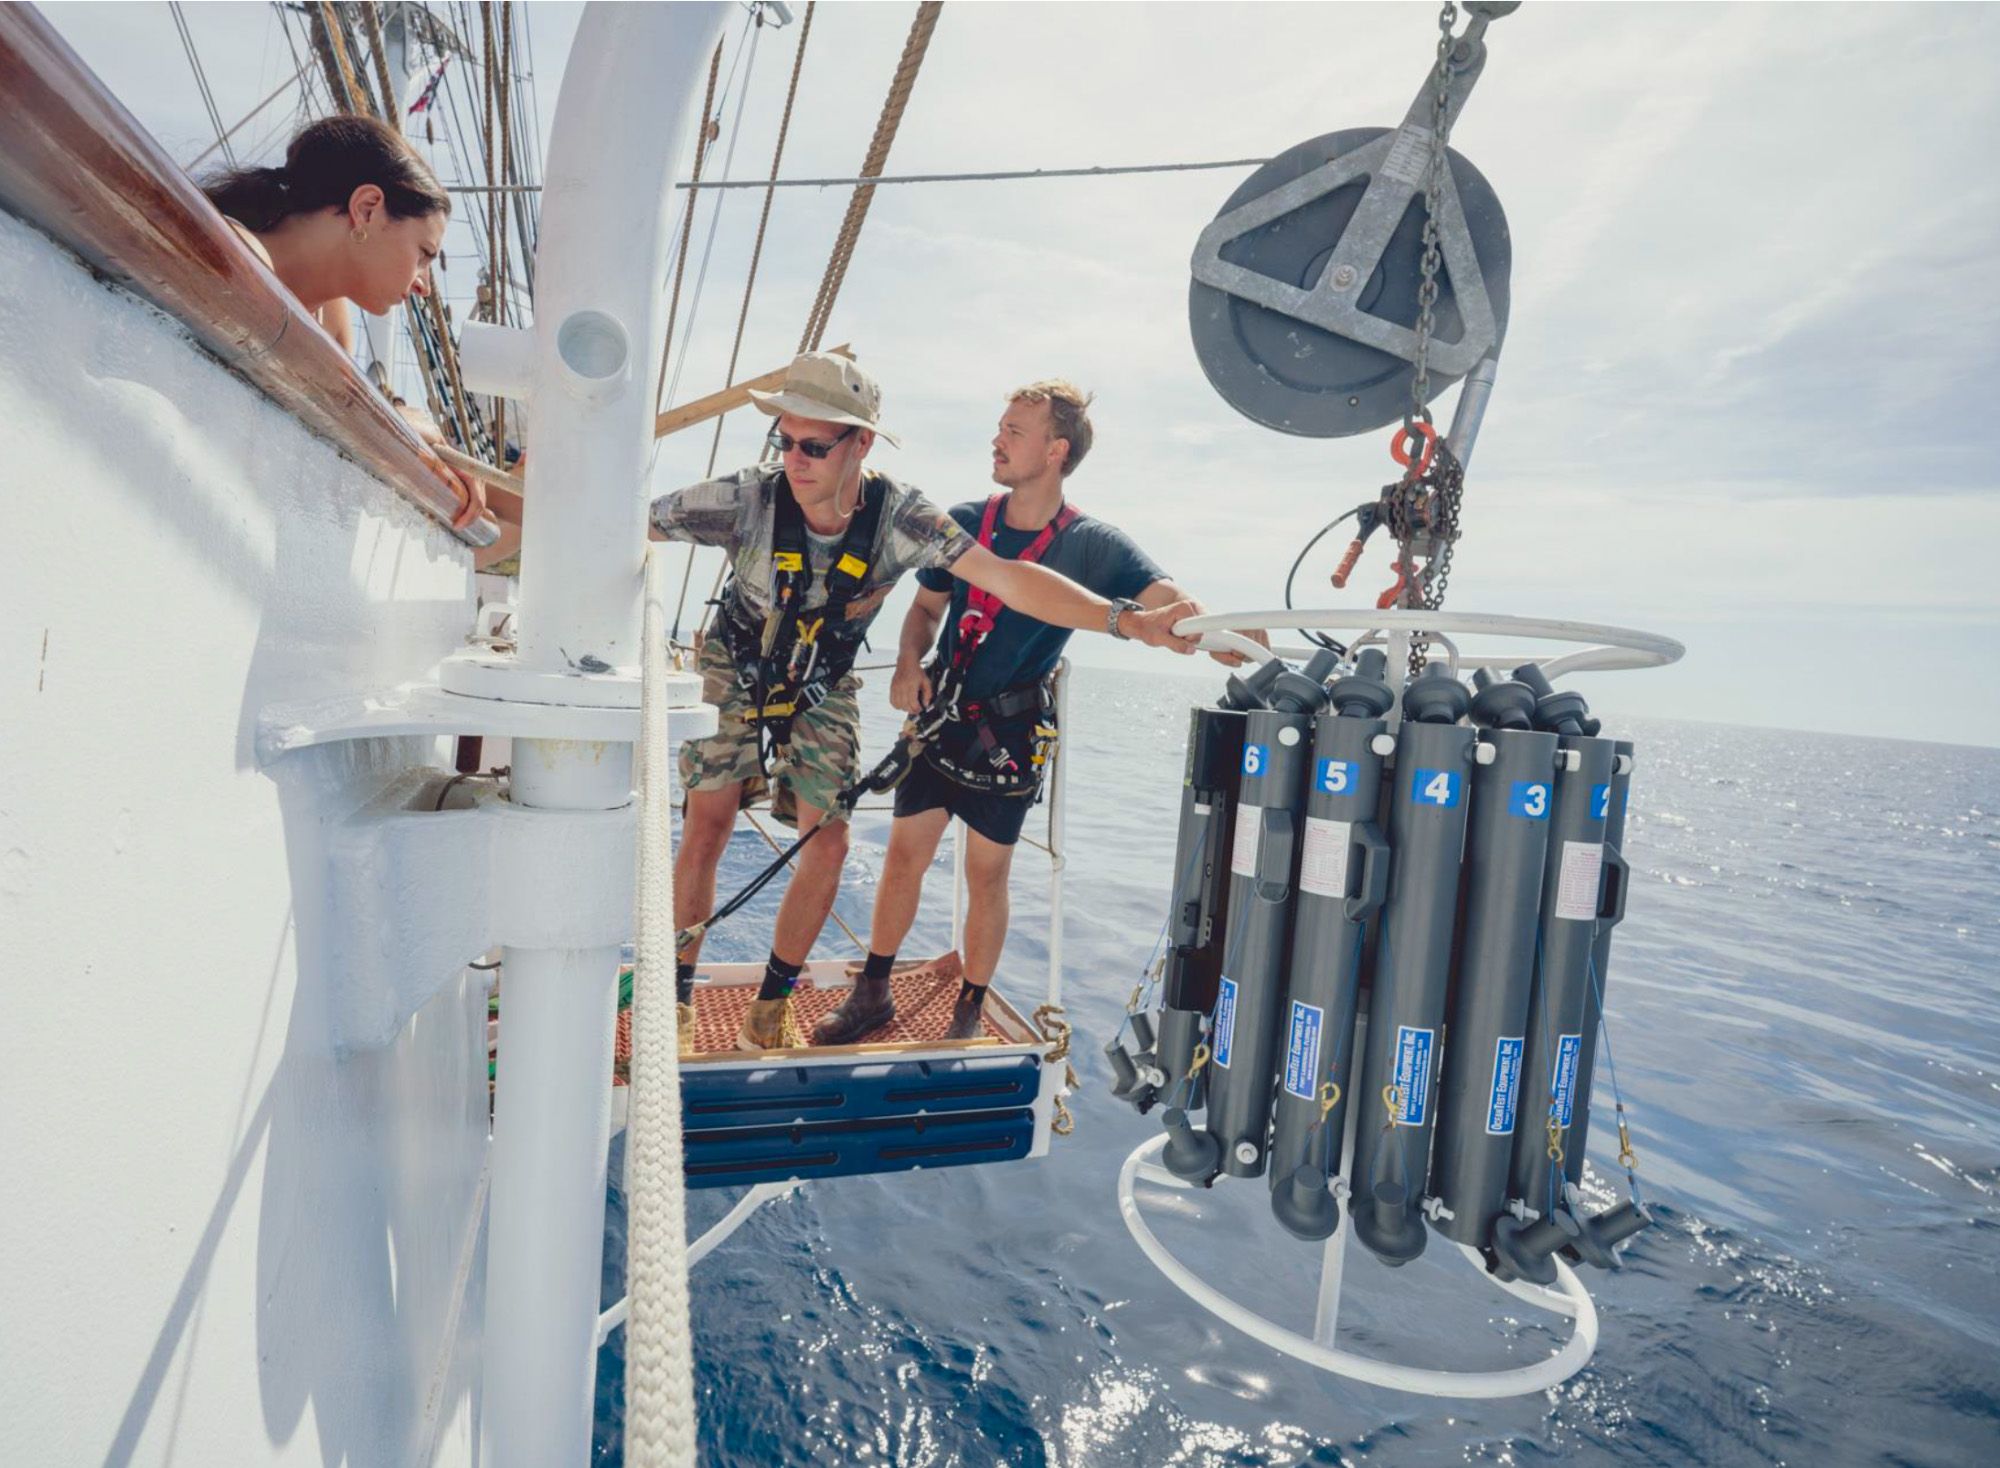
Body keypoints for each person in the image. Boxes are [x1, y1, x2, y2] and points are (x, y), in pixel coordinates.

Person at [650, 354, 1200, 1052]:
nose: (795, 459)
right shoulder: (745, 499)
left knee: (830, 840)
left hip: (828, 680)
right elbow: (623, 522)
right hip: (737, 664)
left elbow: (1009, 579)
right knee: (708, 823)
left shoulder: (903, 518)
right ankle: (674, 997)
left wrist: (1130, 622)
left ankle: (773, 1001)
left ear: (860, 445)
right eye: (783, 441)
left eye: (814, 445)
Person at [815, 381, 1241, 1045]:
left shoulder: (1095, 546)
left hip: (1009, 735)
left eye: (1014, 431)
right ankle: (873, 991)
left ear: (1055, 450)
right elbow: (926, 609)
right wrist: (907, 664)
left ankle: (968, 1007)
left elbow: (1171, 603)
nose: (997, 440)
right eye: (1000, 427)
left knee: (987, 875)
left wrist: (1227, 636)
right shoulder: (961, 521)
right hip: (940, 718)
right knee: (904, 856)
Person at [200, 115, 481, 519]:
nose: (424, 286)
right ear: (367, 209)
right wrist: (392, 421)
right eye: (423, 254)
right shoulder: (236, 254)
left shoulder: (328, 322)